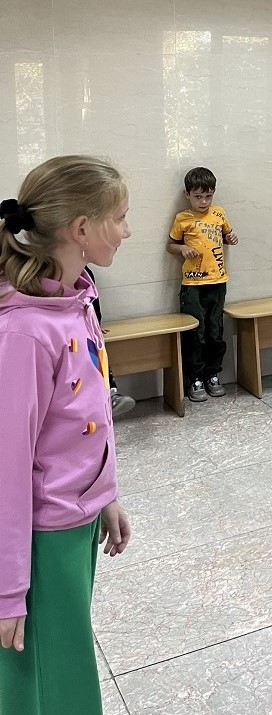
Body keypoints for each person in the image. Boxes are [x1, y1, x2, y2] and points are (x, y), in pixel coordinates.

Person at [0, 155, 132, 713]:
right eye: (119, 217)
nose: (127, 230)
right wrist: (8, 590)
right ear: (81, 228)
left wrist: (106, 496)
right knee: (45, 677)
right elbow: (6, 468)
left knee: (62, 659)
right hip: (39, 539)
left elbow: (90, 415)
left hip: (74, 523)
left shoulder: (77, 299)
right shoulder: (26, 332)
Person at [167, 167, 238, 402]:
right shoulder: (182, 219)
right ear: (187, 195)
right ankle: (195, 378)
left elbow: (227, 236)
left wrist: (231, 238)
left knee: (215, 331)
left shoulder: (219, 214)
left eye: (208, 196)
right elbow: (170, 245)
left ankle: (212, 375)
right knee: (195, 332)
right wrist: (182, 248)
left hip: (218, 281)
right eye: (198, 196)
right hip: (193, 284)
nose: (204, 201)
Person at [85, 266, 136, 418]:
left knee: (97, 350)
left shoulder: (85, 273)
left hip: (89, 330)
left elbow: (94, 305)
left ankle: (110, 395)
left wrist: (96, 325)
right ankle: (105, 397)